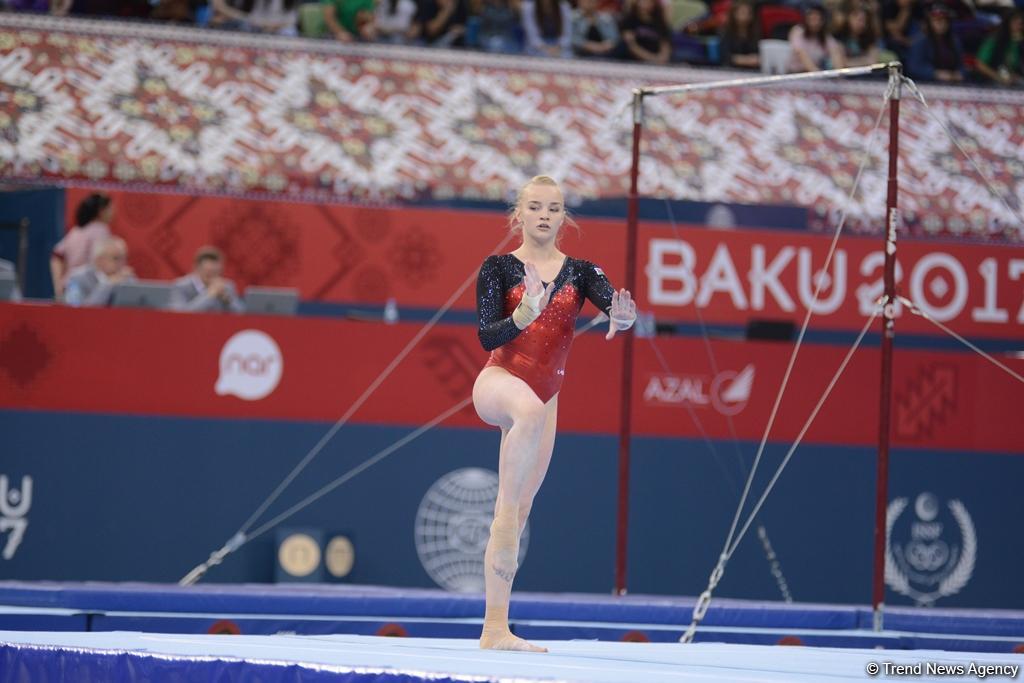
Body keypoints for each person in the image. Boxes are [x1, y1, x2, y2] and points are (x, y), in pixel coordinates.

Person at [472, 175, 637, 652]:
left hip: (546, 399)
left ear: (564, 216)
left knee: (523, 505)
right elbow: (486, 336)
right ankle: (504, 516)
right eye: (535, 207)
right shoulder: (498, 267)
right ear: (518, 214)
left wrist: (622, 318)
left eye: (554, 208)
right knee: (525, 416)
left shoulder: (582, 272)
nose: (544, 215)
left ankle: (494, 629)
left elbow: (614, 305)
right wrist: (523, 314)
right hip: (499, 380)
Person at [51, 193, 114, 300]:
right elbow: (101, 263)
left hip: (68, 286)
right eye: (110, 209)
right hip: (88, 289)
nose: (113, 213)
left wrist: (58, 285)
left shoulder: (76, 231)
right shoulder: (101, 230)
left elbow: (56, 256)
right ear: (101, 211)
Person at [169, 246, 246, 314]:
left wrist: (227, 298)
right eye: (208, 273)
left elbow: (242, 314)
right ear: (197, 269)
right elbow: (180, 315)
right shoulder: (180, 286)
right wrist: (209, 295)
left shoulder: (227, 286)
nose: (212, 276)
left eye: (215, 273)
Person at [64, 236, 135, 308]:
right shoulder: (78, 278)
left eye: (124, 258)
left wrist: (131, 284)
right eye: (116, 258)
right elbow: (78, 309)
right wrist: (108, 284)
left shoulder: (126, 278)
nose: (122, 263)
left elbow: (138, 303)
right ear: (100, 259)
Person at [906, 4, 965, 81]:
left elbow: (962, 65)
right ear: (929, 22)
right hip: (926, 83)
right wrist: (935, 74)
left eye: (945, 20)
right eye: (937, 20)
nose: (941, 24)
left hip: (952, 82)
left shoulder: (954, 41)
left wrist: (960, 74)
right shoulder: (920, 41)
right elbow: (914, 67)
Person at [975, 9, 1024, 86]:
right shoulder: (994, 41)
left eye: (1021, 24)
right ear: (1007, 24)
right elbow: (980, 64)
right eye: (1016, 23)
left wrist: (1015, 75)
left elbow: (1015, 65)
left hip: (1011, 80)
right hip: (991, 80)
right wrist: (998, 77)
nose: (1019, 27)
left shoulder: (1018, 43)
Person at [787, 3, 843, 71]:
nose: (814, 23)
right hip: (797, 73)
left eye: (817, 19)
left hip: (816, 73)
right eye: (812, 19)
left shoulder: (825, 36)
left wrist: (839, 73)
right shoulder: (797, 31)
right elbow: (801, 54)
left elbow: (835, 52)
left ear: (822, 21)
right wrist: (817, 73)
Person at [719, 0, 761, 68]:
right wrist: (746, 60)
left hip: (753, 70)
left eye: (749, 13)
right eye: (743, 12)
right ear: (734, 14)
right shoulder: (726, 32)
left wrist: (756, 59)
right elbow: (725, 56)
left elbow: (759, 54)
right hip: (731, 69)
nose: (746, 16)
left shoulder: (756, 31)